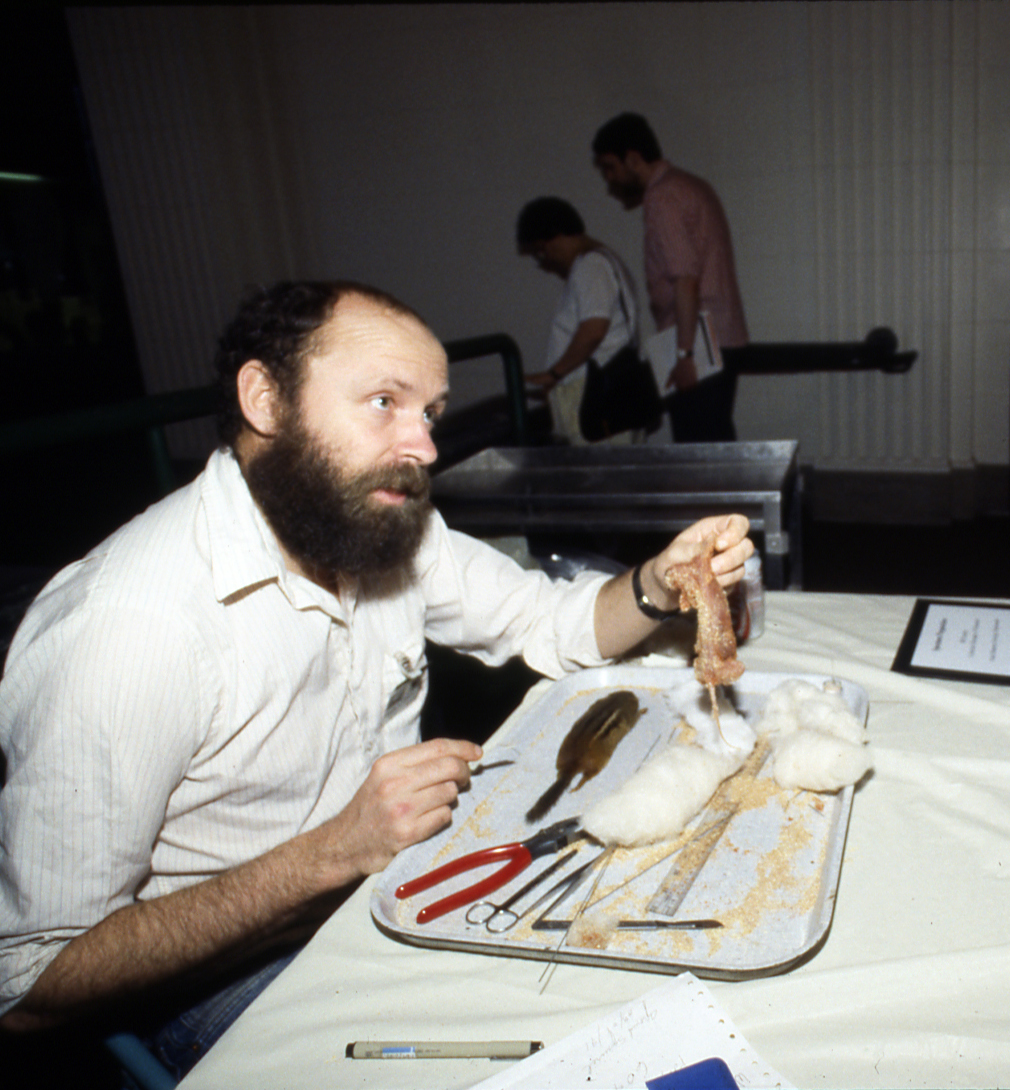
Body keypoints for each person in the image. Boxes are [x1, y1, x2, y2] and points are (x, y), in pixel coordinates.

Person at [0, 280, 753, 1077]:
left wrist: (658, 585)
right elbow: (28, 982)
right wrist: (336, 851)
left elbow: (546, 623)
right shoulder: (131, 628)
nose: (425, 446)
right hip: (222, 981)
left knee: (639, 970)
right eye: (384, 401)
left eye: (428, 413)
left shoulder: (381, 522)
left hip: (388, 888)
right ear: (265, 398)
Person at [592, 112, 749, 442]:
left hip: (696, 340)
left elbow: (685, 279)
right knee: (714, 447)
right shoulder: (690, 185)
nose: (609, 180)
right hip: (716, 335)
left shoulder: (662, 196)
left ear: (633, 159)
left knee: (698, 452)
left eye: (610, 167)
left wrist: (684, 356)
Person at [516, 196, 646, 445]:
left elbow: (594, 329)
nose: (545, 261)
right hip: (610, 392)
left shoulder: (591, 266)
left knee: (596, 478)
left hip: (593, 396)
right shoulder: (603, 261)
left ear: (554, 237)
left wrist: (554, 374)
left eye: (540, 251)